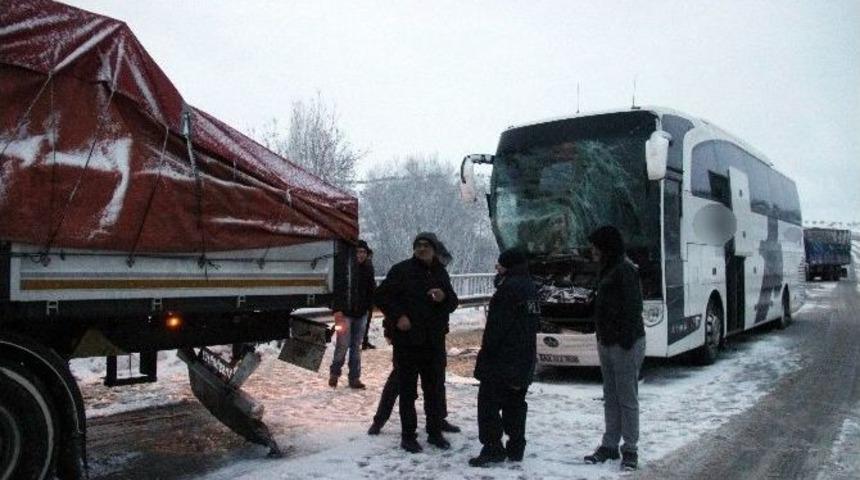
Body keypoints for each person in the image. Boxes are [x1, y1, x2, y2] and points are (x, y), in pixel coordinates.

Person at [374, 232, 458, 453]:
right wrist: (398, 316)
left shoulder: (440, 272)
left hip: (433, 341)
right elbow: (381, 296)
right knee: (407, 391)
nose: (421, 248)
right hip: (408, 342)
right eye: (418, 245)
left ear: (434, 249)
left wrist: (444, 297)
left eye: (426, 245)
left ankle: (434, 433)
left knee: (433, 390)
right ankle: (408, 436)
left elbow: (453, 302)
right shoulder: (401, 270)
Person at [468, 247, 539, 467]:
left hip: (501, 358)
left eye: (499, 264)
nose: (496, 267)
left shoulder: (507, 290)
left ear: (507, 266)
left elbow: (496, 329)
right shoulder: (530, 286)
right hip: (524, 356)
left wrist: (485, 357)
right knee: (515, 403)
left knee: (488, 404)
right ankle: (516, 447)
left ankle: (492, 448)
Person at [582, 226, 645, 471]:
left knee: (626, 396)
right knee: (611, 395)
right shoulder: (608, 268)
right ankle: (609, 444)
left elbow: (633, 308)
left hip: (624, 342)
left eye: (595, 246)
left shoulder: (625, 270)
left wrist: (624, 340)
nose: (592, 250)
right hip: (608, 341)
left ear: (606, 247)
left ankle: (630, 449)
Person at [367, 321, 461, 436]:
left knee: (437, 382)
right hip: (407, 336)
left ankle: (438, 418)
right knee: (397, 381)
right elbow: (393, 310)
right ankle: (380, 419)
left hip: (433, 334)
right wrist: (389, 329)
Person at [328, 240, 375, 389]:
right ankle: (335, 373)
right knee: (342, 344)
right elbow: (337, 289)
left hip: (361, 313)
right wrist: (337, 310)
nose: (361, 255)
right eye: (358, 252)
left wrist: (369, 308)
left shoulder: (368, 269)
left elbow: (371, 291)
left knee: (356, 346)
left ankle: (354, 378)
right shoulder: (345, 268)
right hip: (345, 313)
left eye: (363, 252)